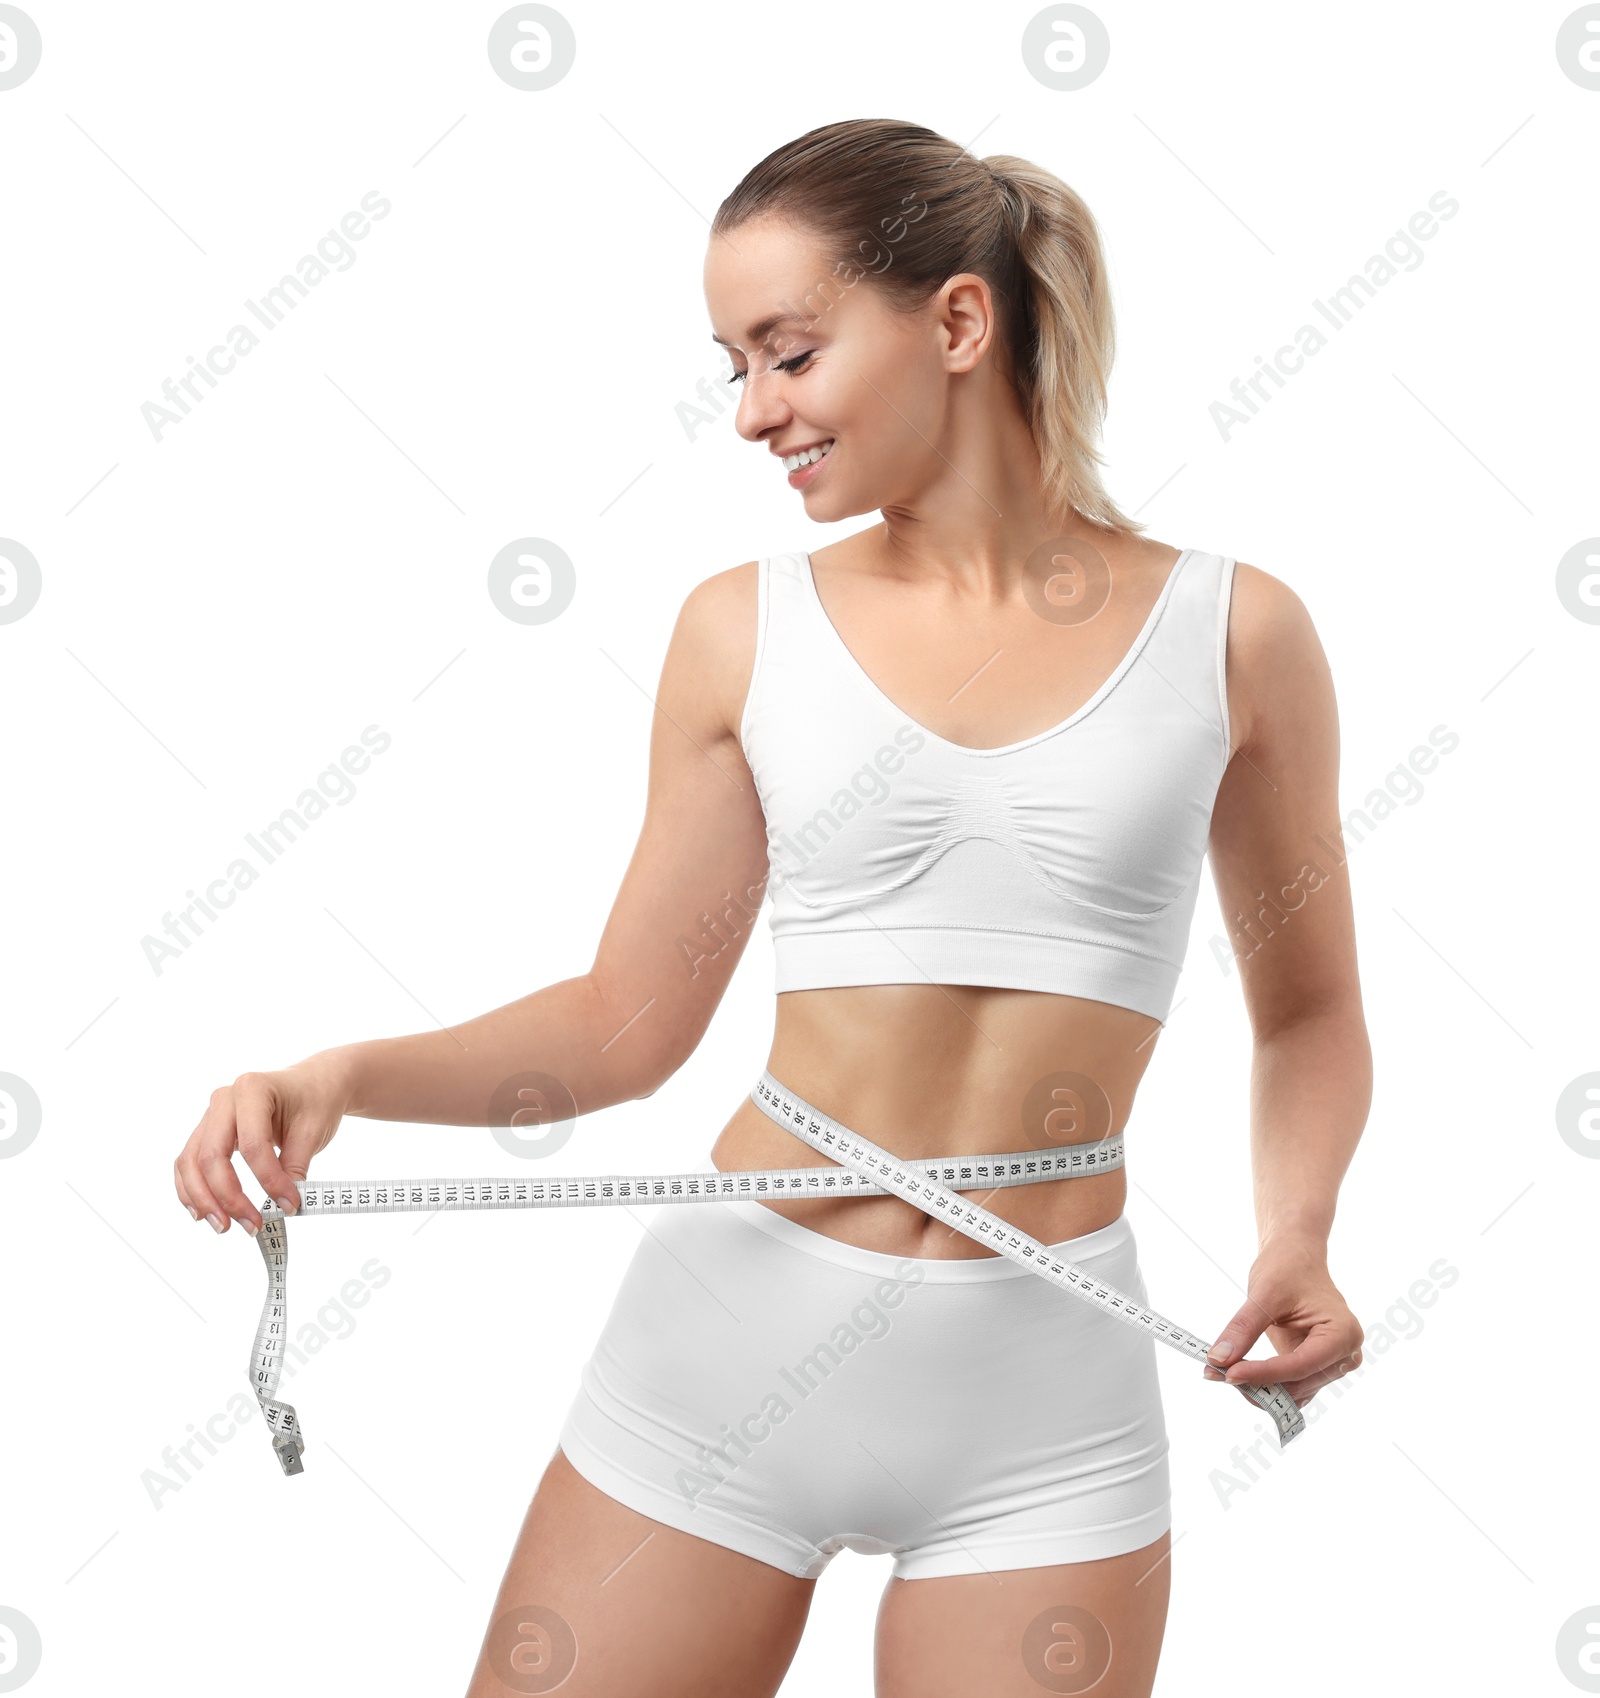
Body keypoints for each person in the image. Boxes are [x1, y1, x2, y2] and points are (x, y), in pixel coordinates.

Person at [173, 118, 1370, 1697]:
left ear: (956, 322)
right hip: (720, 1352)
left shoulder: (1236, 632)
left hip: (1043, 1401)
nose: (751, 412)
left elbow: (1308, 1012)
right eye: (733, 365)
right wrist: (338, 1079)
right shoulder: (743, 633)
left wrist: (1300, 1233)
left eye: (787, 354)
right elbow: (622, 1023)